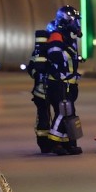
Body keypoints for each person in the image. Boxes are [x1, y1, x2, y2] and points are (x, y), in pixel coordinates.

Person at [46, 5, 83, 155]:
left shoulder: (69, 38)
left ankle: (69, 143)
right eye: (74, 21)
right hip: (58, 82)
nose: (77, 25)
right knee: (62, 112)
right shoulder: (57, 35)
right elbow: (54, 54)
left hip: (68, 82)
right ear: (66, 21)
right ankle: (54, 143)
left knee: (69, 113)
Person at [29, 21, 55, 153]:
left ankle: (45, 144)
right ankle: (48, 142)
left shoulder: (38, 51)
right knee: (49, 117)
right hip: (50, 91)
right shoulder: (55, 49)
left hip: (40, 92)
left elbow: (30, 68)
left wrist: (37, 76)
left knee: (43, 117)